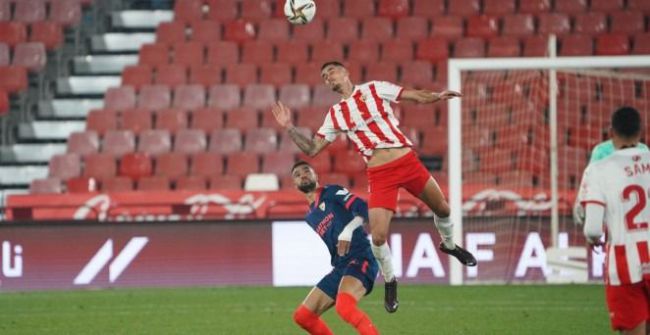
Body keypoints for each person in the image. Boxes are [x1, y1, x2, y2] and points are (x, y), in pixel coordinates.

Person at [272, 61, 477, 303]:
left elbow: (412, 95)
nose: (328, 77)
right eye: (325, 77)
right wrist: (289, 127)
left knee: (443, 209)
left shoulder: (375, 89)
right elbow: (313, 148)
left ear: (346, 72)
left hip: (407, 161)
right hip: (380, 173)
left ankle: (449, 245)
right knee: (378, 236)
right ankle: (390, 280)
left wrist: (437, 96)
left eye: (332, 72)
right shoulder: (336, 115)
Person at [290, 161, 380, 335]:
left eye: (306, 171)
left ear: (316, 176)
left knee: (344, 307)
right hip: (340, 266)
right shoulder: (310, 217)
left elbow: (364, 209)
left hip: (361, 257)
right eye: (297, 174)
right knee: (303, 316)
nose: (303, 175)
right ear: (295, 185)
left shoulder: (331, 192)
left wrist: (348, 230)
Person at [580, 107, 649, 335]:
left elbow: (592, 228)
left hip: (623, 262)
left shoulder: (599, 170)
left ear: (611, 133)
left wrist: (594, 238)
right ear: (641, 131)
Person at [573, 107, 649, 225]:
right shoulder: (644, 151)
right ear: (640, 132)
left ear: (611, 132)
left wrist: (582, 210)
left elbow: (587, 193)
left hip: (613, 225)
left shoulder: (600, 152)